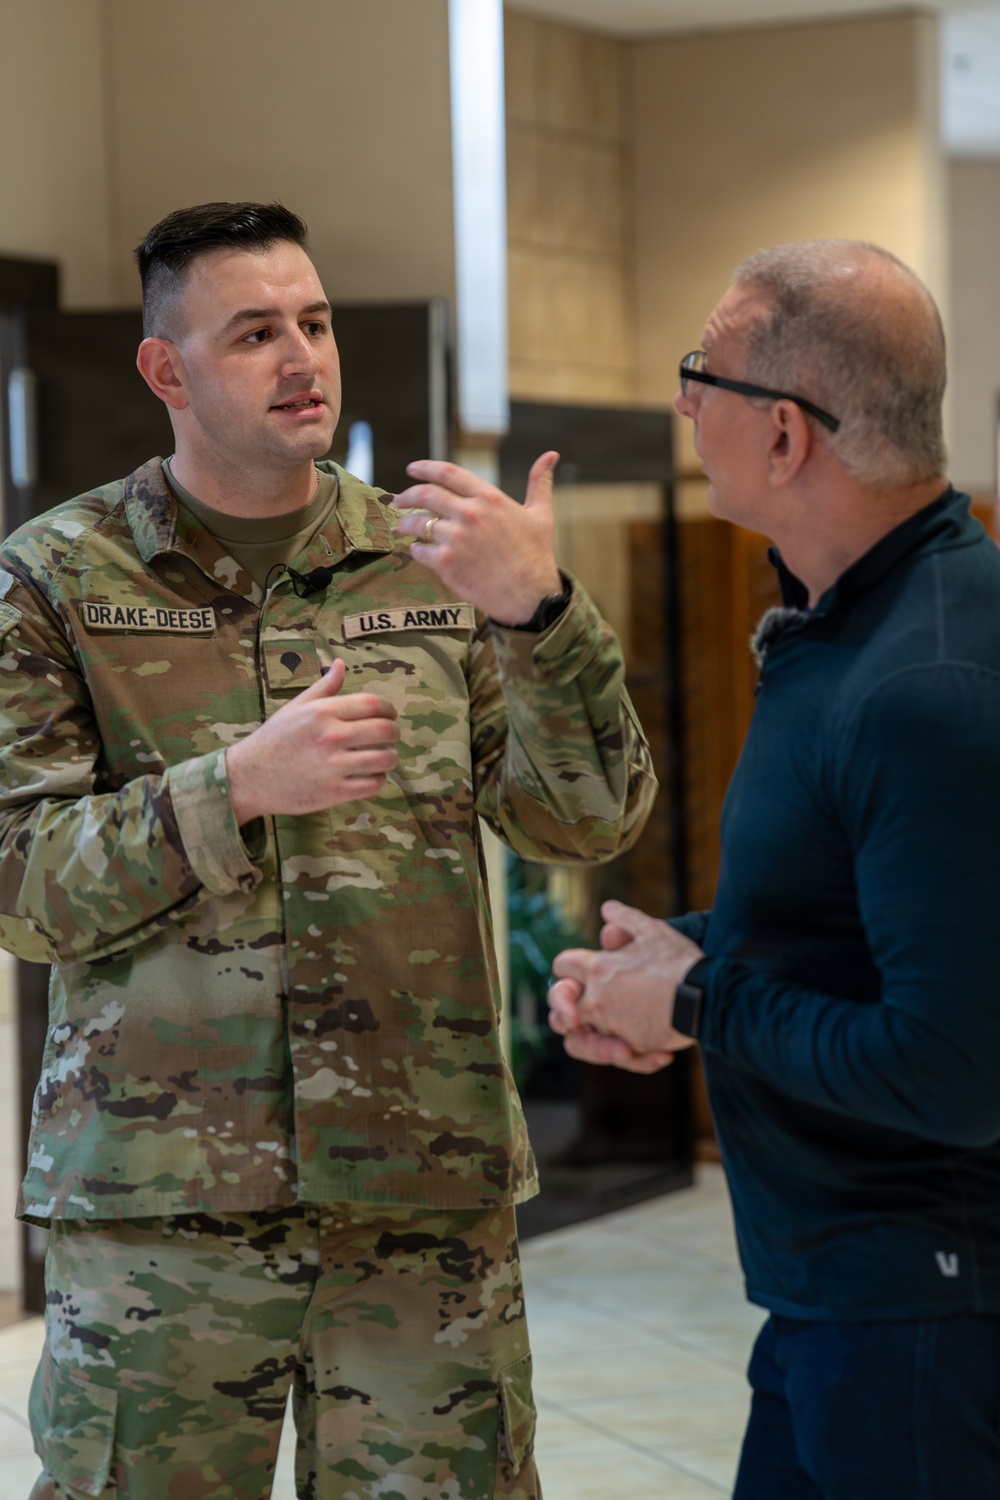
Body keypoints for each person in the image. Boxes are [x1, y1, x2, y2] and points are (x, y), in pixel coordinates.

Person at [0, 200, 656, 1500]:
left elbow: (584, 820)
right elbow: (23, 885)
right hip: (162, 1212)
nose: (303, 356)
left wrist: (543, 614)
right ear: (165, 370)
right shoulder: (54, 577)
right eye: (255, 332)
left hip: (420, 1194)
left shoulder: (431, 565)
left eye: (314, 321)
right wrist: (231, 788)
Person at [549, 239, 1000, 1500]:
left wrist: (699, 1003)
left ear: (789, 435)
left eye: (703, 374)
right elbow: (853, 915)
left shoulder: (929, 681)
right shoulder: (841, 626)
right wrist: (669, 967)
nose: (685, 405)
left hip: (925, 1318)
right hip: (834, 1297)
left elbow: (955, 1072)